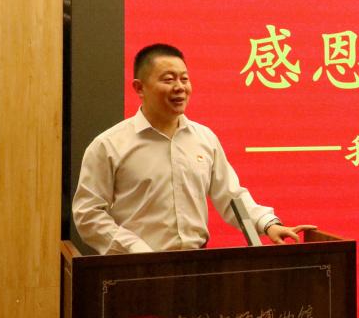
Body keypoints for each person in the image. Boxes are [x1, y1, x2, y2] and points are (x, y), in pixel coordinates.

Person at [73, 43, 313, 254]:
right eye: (168, 80)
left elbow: (231, 196)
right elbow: (88, 214)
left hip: (196, 265)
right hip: (134, 268)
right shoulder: (109, 145)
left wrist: (268, 224)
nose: (179, 87)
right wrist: (135, 249)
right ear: (139, 88)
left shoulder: (204, 138)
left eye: (184, 79)